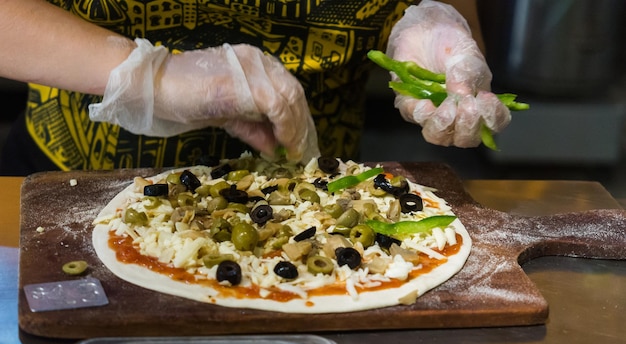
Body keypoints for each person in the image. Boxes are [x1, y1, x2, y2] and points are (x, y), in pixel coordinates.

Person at [0, 0, 510, 175]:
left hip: (313, 197)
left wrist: (433, 26)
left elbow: (445, 4)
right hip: (72, 178)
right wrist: (146, 76)